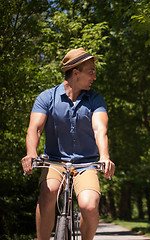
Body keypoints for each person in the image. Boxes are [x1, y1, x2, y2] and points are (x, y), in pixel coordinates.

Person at [21, 47, 115, 240]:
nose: (94, 77)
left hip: (86, 164)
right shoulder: (47, 97)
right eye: (91, 72)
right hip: (55, 161)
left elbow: (99, 130)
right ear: (75, 73)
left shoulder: (95, 100)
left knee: (89, 205)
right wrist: (31, 153)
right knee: (48, 194)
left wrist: (104, 156)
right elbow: (35, 129)